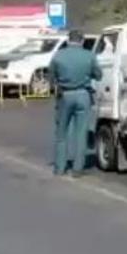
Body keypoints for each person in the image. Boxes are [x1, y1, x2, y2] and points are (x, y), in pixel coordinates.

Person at [49, 30, 102, 177]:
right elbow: (98, 75)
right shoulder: (89, 55)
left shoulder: (58, 55)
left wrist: (56, 85)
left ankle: (60, 168)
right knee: (81, 134)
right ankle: (78, 168)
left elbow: (51, 76)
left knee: (61, 133)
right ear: (82, 41)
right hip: (83, 95)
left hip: (65, 95)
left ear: (68, 40)